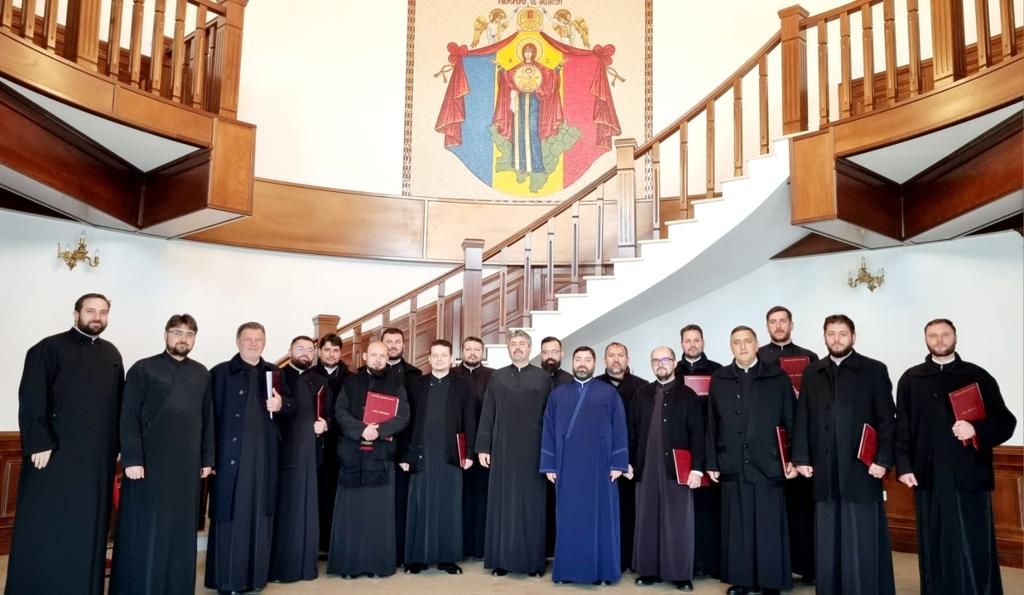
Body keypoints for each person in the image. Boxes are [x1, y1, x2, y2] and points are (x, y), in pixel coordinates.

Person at [7, 293, 124, 595]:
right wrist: (38, 442)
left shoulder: (112, 354)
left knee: (86, 529)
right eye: (91, 311)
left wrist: (118, 447)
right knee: (46, 526)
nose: (97, 317)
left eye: (103, 312)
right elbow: (32, 397)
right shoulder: (48, 348)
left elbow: (118, 405)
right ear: (76, 314)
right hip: (54, 455)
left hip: (96, 461)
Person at [895, 319, 1017, 595]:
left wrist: (976, 429)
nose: (939, 340)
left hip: (970, 473)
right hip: (928, 476)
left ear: (955, 336)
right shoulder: (911, 379)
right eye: (933, 335)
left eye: (945, 334)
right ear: (925, 339)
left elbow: (1006, 422)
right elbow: (902, 427)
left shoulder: (977, 376)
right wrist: (903, 465)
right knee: (934, 542)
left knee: (974, 540)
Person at [110, 314, 213, 595]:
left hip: (187, 465)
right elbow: (128, 416)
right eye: (177, 332)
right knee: (145, 527)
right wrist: (132, 458)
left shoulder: (202, 373)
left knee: (180, 529)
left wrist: (207, 459)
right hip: (147, 464)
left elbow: (208, 419)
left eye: (189, 334)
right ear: (166, 334)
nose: (183, 339)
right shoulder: (143, 369)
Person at [792, 314, 896, 595]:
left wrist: (883, 460)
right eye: (831, 333)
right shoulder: (812, 372)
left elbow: (887, 419)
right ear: (824, 337)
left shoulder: (874, 370)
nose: (836, 339)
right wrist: (801, 458)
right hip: (824, 468)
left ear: (853, 336)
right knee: (828, 536)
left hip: (862, 468)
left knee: (860, 535)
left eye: (842, 333)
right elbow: (802, 417)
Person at [706, 326, 796, 595]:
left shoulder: (777, 377)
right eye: (737, 342)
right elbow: (712, 423)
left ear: (757, 344)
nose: (742, 346)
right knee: (738, 527)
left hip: (769, 463)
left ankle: (770, 582)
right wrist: (712, 461)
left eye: (747, 341)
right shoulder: (719, 378)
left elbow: (791, 419)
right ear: (731, 346)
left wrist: (793, 458)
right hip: (732, 462)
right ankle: (742, 580)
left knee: (769, 526)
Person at [205, 322, 292, 594]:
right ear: (237, 341)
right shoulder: (219, 373)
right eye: (248, 339)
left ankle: (255, 579)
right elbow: (208, 419)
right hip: (229, 460)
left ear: (265, 342)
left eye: (259, 339)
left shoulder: (275, 373)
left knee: (260, 516)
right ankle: (228, 580)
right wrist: (209, 458)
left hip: (264, 460)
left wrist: (282, 405)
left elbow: (291, 409)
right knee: (229, 516)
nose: (253, 344)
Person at [541, 346, 628, 585]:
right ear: (572, 363)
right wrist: (549, 465)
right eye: (578, 359)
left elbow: (620, 429)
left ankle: (602, 572)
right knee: (569, 519)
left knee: (601, 520)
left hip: (601, 467)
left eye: (587, 360)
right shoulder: (558, 395)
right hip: (567, 466)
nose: (582, 364)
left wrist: (618, 463)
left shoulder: (609, 393)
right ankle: (567, 572)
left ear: (594, 363)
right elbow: (548, 430)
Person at [327, 341, 410, 579]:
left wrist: (378, 431)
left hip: (381, 458)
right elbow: (340, 412)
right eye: (374, 355)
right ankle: (349, 566)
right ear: (365, 356)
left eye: (382, 355)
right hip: (353, 455)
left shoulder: (396, 385)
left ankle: (377, 565)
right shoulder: (350, 382)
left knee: (378, 515)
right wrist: (362, 429)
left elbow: (404, 416)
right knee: (351, 514)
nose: (378, 359)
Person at [476, 330, 552, 577]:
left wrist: (550, 452)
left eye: (522, 343)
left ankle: (534, 563)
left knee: (532, 505)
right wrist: (483, 447)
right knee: (503, 504)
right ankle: (502, 560)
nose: (517, 347)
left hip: (533, 448)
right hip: (503, 447)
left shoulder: (543, 378)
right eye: (513, 344)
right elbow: (488, 412)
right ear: (509, 348)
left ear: (530, 348)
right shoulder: (497, 377)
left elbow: (550, 418)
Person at [628, 346, 705, 591]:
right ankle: (648, 571)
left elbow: (698, 434)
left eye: (665, 359)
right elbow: (631, 430)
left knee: (678, 521)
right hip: (646, 465)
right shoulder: (641, 394)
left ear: (674, 363)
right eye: (656, 360)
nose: (660, 364)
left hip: (677, 469)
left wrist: (697, 469)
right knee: (647, 518)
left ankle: (680, 574)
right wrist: (628, 462)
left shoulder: (688, 395)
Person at [401, 339, 477, 574]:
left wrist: (469, 453)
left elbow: (470, 420)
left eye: (444, 355)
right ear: (429, 359)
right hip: (421, 454)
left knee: (448, 506)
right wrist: (404, 455)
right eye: (435, 355)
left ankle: (447, 559)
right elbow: (406, 422)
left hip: (450, 455)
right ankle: (417, 559)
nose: (440, 359)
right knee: (419, 504)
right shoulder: (416, 385)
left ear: (451, 359)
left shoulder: (463, 386)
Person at [757, 305, 819, 584]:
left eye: (783, 321)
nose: (779, 326)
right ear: (767, 326)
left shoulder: (810, 358)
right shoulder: (757, 357)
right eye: (773, 322)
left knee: (801, 509)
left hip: (799, 441)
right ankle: (775, 568)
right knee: (772, 511)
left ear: (791, 324)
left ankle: (806, 568)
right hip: (767, 445)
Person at [269, 336, 330, 583]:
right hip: (283, 454)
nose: (305, 353)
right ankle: (281, 568)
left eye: (309, 349)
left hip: (310, 455)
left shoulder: (321, 380)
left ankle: (306, 567)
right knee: (285, 512)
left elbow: (329, 414)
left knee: (308, 512)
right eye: (299, 348)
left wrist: (326, 424)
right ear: (290, 351)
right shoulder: (278, 376)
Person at [673, 323, 723, 579]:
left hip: (711, 444)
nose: (692, 344)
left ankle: (711, 563)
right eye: (687, 340)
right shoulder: (674, 371)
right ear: (681, 343)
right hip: (682, 448)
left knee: (709, 508)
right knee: (684, 508)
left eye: (696, 340)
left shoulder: (718, 371)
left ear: (703, 342)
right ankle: (687, 563)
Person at [595, 341, 647, 572]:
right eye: (611, 355)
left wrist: (631, 461)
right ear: (604, 359)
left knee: (629, 511)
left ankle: (628, 559)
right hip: (600, 461)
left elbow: (643, 427)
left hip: (631, 461)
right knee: (602, 511)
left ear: (628, 359)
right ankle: (604, 556)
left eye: (620, 355)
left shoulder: (642, 387)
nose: (616, 359)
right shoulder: (594, 386)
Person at [450, 336, 494, 560]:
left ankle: (480, 546)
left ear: (482, 352)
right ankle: (459, 545)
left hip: (484, 445)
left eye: (477, 349)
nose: (473, 353)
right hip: (456, 445)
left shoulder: (494, 376)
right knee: (458, 496)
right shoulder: (451, 375)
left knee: (481, 497)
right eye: (468, 349)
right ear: (462, 351)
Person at [382, 327, 422, 567]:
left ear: (404, 345)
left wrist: (409, 450)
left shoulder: (415, 375)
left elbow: (416, 415)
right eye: (388, 341)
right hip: (377, 444)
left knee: (402, 500)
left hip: (404, 445)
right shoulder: (370, 373)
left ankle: (401, 552)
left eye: (397, 341)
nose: (393, 346)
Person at [313, 333, 347, 557]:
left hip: (340, 443)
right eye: (327, 350)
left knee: (336, 495)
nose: (331, 354)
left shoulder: (351, 378)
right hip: (315, 443)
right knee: (316, 494)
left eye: (335, 350)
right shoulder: (309, 376)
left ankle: (333, 543)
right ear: (319, 352)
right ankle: (316, 542)